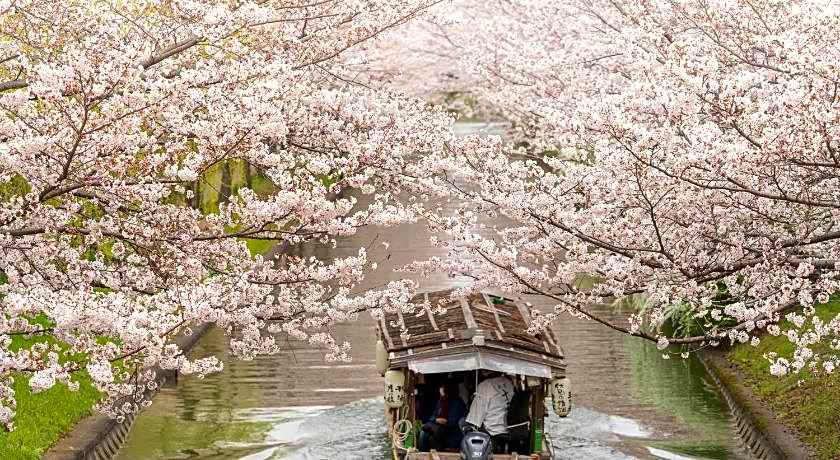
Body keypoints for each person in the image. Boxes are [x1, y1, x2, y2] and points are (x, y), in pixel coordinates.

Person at [465, 372, 514, 453]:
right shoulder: (509, 383)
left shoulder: (485, 385)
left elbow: (475, 419)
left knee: (463, 422)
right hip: (508, 429)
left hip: (491, 432)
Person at [419, 381, 467, 451]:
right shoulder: (441, 401)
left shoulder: (457, 402)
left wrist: (438, 421)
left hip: (452, 433)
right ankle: (422, 453)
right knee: (424, 433)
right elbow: (434, 416)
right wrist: (435, 420)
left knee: (431, 435)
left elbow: (452, 422)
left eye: (443, 389)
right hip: (441, 430)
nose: (442, 395)